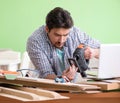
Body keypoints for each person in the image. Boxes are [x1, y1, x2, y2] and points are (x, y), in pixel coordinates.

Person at [27, 7, 100, 82]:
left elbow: (103, 50)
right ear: (47, 29)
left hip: (72, 88)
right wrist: (62, 78)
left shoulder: (76, 34)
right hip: (46, 89)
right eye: (57, 35)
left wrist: (94, 52)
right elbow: (46, 74)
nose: (61, 40)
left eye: (65, 35)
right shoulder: (35, 41)